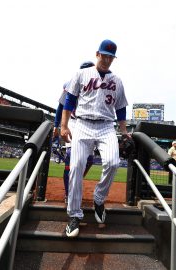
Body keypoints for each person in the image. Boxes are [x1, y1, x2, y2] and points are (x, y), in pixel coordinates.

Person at [61, 39, 130, 237]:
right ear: (97, 54)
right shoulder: (82, 74)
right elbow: (69, 101)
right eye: (104, 55)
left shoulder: (117, 80)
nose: (107, 59)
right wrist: (64, 126)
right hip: (82, 124)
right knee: (76, 167)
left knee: (113, 162)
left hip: (106, 126)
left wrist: (124, 131)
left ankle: (99, 199)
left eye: (111, 57)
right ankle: (74, 215)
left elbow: (121, 108)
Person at [53, 61, 95, 203]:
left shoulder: (98, 84)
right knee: (71, 156)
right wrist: (56, 126)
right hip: (73, 121)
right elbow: (60, 106)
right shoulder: (70, 83)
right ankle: (68, 193)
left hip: (89, 123)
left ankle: (75, 180)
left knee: (89, 159)